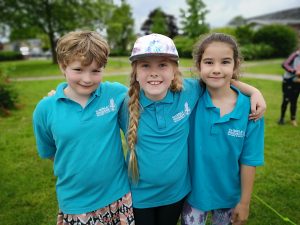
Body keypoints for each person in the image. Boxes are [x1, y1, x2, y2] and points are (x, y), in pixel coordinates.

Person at [120, 33, 266, 225]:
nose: (154, 72)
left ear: (174, 71)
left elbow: (218, 79)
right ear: (135, 72)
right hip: (140, 197)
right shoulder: (122, 103)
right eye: (145, 65)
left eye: (163, 65)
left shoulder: (187, 93)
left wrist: (254, 92)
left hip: (175, 196)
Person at [32, 31, 134, 225]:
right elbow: (50, 152)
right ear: (63, 66)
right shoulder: (45, 109)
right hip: (76, 203)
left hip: (119, 195)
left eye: (96, 71)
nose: (87, 79)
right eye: (78, 70)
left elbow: (146, 98)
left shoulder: (115, 94)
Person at [181, 33, 264, 225]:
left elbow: (249, 161)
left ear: (235, 64)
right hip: (193, 195)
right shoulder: (189, 98)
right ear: (199, 66)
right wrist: (254, 90)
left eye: (225, 62)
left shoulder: (252, 111)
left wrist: (244, 203)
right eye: (209, 62)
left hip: (229, 198)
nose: (216, 69)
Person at [278, 48, 300, 126]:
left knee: (294, 101)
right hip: (288, 81)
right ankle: (281, 118)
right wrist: (294, 71)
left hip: (297, 82)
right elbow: (284, 64)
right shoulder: (295, 55)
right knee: (286, 100)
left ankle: (293, 119)